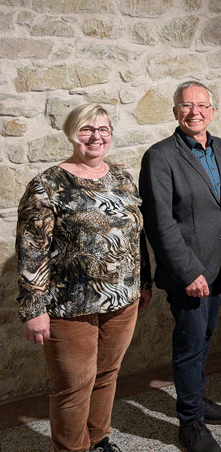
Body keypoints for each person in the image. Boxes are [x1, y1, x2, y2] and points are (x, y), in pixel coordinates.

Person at [16, 104, 151, 452]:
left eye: (103, 129)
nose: (96, 136)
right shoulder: (48, 183)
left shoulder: (121, 177)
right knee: (73, 387)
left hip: (122, 300)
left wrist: (143, 284)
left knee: (106, 377)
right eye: (88, 129)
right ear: (72, 133)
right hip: (68, 305)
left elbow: (135, 237)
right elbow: (33, 250)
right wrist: (34, 309)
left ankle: (99, 440)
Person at [139, 81, 221, 452]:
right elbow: (159, 222)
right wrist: (188, 272)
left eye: (201, 105)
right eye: (186, 105)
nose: (194, 112)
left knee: (205, 338)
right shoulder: (160, 156)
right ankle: (190, 423)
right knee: (189, 345)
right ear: (176, 112)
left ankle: (196, 398)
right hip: (189, 274)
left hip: (219, 268)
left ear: (212, 111)